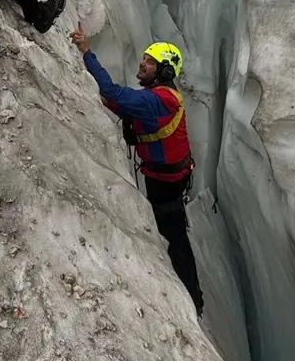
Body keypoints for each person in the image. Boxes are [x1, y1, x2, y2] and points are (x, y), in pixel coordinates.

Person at [69, 30, 204, 315]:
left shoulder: (158, 100)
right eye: (143, 58)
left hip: (164, 182)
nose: (142, 63)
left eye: (150, 61)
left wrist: (86, 52)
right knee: (172, 229)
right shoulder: (159, 97)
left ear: (164, 71)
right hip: (166, 177)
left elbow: (112, 93)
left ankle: (192, 299)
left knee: (173, 235)